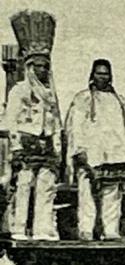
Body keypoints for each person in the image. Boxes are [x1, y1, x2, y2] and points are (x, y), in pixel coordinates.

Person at [64, 59, 125, 240]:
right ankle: (86, 229)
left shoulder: (119, 100)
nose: (102, 77)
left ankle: (111, 230)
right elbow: (75, 126)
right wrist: (78, 150)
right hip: (91, 153)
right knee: (87, 191)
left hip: (115, 153)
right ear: (92, 75)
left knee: (112, 193)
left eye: (105, 73)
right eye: (99, 73)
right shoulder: (83, 98)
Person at [4, 10, 61, 241]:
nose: (42, 70)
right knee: (23, 185)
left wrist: (56, 147)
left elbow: (55, 122)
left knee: (46, 187)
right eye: (38, 66)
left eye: (45, 66)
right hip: (26, 144)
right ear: (29, 67)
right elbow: (11, 121)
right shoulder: (19, 90)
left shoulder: (50, 95)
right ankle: (19, 228)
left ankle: (42, 228)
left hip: (45, 145)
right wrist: (16, 148)